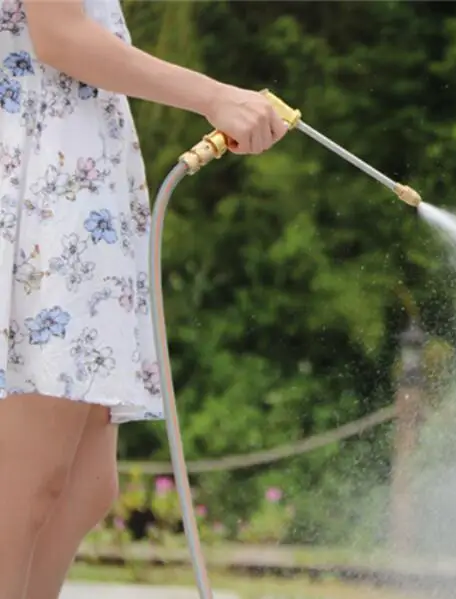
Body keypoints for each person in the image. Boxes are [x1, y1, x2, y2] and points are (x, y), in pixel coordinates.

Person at [0, 1, 288, 597]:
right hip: (41, 187)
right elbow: (60, 35)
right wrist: (214, 96)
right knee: (26, 483)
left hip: (77, 184)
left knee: (83, 489)